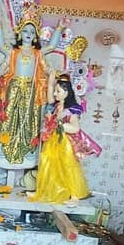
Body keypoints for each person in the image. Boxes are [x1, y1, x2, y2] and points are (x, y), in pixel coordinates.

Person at [0, 3, 68, 167]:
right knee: (6, 117)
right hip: (13, 89)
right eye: (25, 31)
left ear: (36, 36)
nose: (28, 34)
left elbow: (51, 46)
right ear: (19, 33)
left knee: (30, 120)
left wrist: (60, 27)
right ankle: (0, 150)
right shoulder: (14, 52)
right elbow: (0, 45)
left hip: (31, 91)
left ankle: (29, 152)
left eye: (32, 32)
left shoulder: (38, 53)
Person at [28, 73, 101, 204]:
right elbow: (50, 99)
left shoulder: (72, 109)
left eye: (58, 91)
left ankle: (74, 196)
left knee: (68, 166)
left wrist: (58, 125)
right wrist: (51, 82)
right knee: (47, 165)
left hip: (64, 142)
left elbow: (75, 128)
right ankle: (42, 190)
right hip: (52, 140)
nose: (55, 94)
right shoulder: (57, 106)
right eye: (55, 91)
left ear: (67, 92)